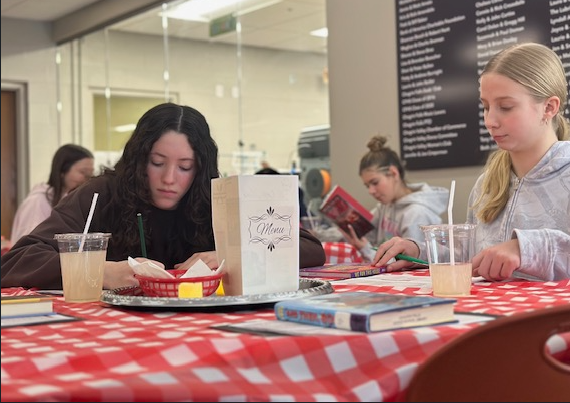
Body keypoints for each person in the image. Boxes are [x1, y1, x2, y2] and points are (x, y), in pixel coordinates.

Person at [372, 43, 570, 286]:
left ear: (549, 107)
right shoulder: (487, 184)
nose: (490, 121)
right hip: (488, 323)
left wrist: (531, 249)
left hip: (564, 332)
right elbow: (480, 256)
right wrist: (421, 252)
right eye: (486, 107)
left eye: (506, 107)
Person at [1, 103, 325, 290]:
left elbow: (309, 247)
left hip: (208, 338)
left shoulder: (218, 197)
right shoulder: (101, 193)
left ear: (201, 169)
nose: (169, 179)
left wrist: (231, 255)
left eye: (185, 167)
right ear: (138, 158)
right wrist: (99, 271)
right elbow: (16, 261)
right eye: (157, 163)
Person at [342, 135, 449, 263]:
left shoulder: (417, 213)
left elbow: (408, 263)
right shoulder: (384, 206)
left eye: (375, 183)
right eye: (367, 186)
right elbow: (367, 233)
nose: (371, 191)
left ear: (394, 173)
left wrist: (365, 249)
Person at [10, 144, 94, 245]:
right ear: (62, 171)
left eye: (91, 174)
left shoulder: (73, 201)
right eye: (83, 172)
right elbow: (28, 245)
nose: (88, 178)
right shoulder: (38, 201)